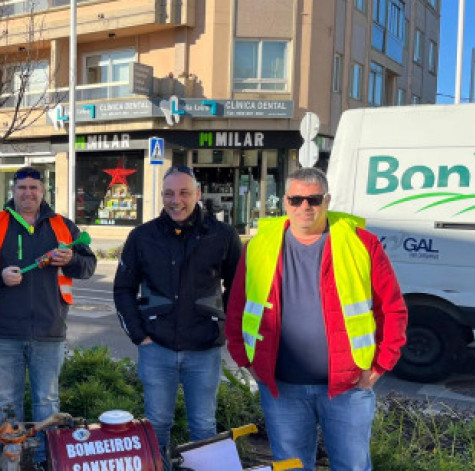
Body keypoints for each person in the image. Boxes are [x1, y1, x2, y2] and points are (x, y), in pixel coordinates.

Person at [225, 167, 407, 471]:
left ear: (327, 200)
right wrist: (246, 360)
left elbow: (392, 309)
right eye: (296, 199)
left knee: (352, 466)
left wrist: (379, 367)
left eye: (313, 199)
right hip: (283, 388)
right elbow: (237, 306)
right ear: (284, 201)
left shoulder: (361, 244)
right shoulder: (259, 247)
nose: (304, 207)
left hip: (348, 387)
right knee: (292, 467)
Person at [0, 166, 97, 465]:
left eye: (33, 188)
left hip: (49, 331)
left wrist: (71, 259)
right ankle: (13, 462)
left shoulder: (62, 227)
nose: (28, 193)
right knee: (7, 405)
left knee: (48, 404)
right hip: (2, 332)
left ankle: (43, 461)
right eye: (22, 187)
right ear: (13, 191)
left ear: (43, 191)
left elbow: (88, 267)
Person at [113, 166, 242, 458]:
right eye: (169, 193)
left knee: (203, 426)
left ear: (197, 194)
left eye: (184, 193)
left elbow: (238, 289)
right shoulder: (142, 236)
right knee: (156, 425)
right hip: (156, 347)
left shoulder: (223, 235)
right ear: (161, 196)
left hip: (204, 349)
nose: (176, 200)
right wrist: (139, 335)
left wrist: (218, 325)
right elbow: (123, 290)